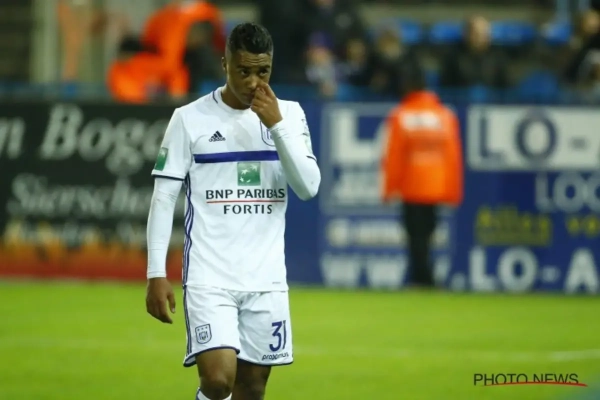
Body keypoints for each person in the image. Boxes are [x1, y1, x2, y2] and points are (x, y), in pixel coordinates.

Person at [145, 22, 321, 400]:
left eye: (263, 72)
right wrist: (156, 273)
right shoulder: (189, 118)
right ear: (225, 64)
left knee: (251, 387)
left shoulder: (289, 115)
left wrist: (276, 127)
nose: (254, 82)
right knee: (218, 380)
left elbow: (308, 188)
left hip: (266, 279)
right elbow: (163, 197)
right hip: (209, 276)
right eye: (244, 71)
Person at [380, 68, 463, 288]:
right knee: (427, 234)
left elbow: (394, 156)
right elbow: (453, 157)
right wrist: (453, 191)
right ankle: (424, 276)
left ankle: (422, 278)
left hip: (411, 186)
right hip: (435, 186)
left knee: (415, 235)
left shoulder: (401, 115)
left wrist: (389, 189)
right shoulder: (445, 115)